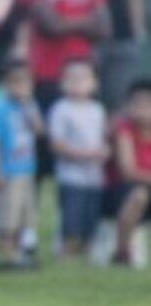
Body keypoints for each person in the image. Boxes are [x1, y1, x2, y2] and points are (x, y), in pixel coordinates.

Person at [0, 60, 43, 266]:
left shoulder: (30, 106)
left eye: (25, 82)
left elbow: (40, 131)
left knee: (25, 213)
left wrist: (28, 107)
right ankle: (5, 252)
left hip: (26, 169)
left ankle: (19, 252)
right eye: (15, 82)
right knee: (7, 214)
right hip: (7, 171)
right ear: (5, 85)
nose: (20, 87)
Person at [47, 58, 110, 259]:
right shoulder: (61, 109)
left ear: (94, 82)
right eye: (72, 78)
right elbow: (56, 143)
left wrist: (104, 151)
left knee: (90, 221)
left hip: (94, 177)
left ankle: (86, 256)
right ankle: (66, 253)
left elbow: (103, 138)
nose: (78, 83)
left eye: (83, 78)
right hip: (71, 177)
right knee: (71, 220)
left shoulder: (98, 110)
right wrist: (84, 155)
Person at [107, 79, 151, 265]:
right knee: (139, 195)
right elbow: (128, 171)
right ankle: (122, 250)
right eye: (137, 103)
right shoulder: (124, 129)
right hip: (120, 191)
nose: (142, 109)